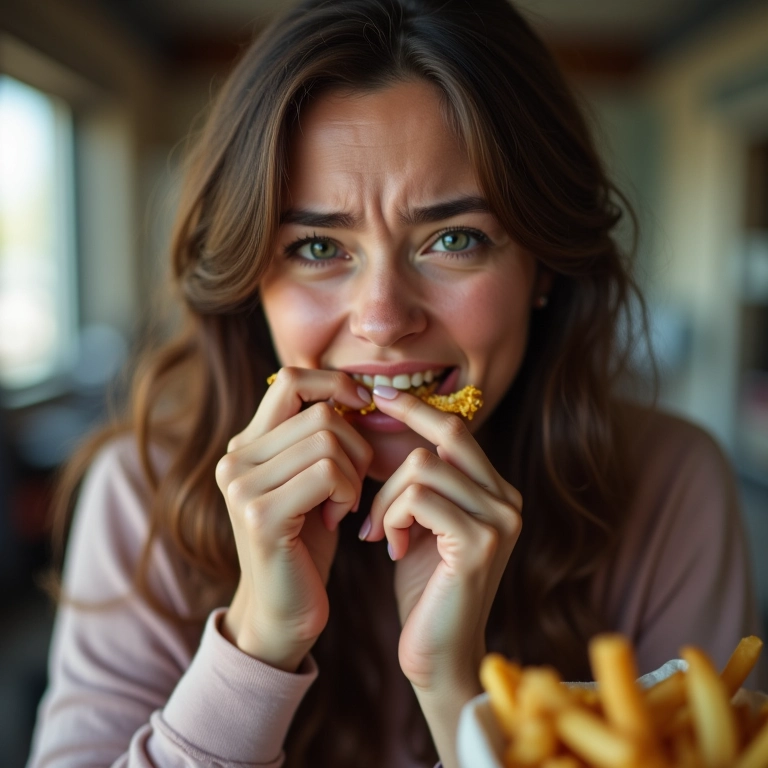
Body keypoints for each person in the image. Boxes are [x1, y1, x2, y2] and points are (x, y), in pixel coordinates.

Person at [26, 0, 764, 766]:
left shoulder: (670, 484)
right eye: (316, 245)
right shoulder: (141, 492)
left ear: (542, 266)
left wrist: (457, 694)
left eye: (453, 239)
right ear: (252, 280)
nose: (381, 319)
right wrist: (255, 646)